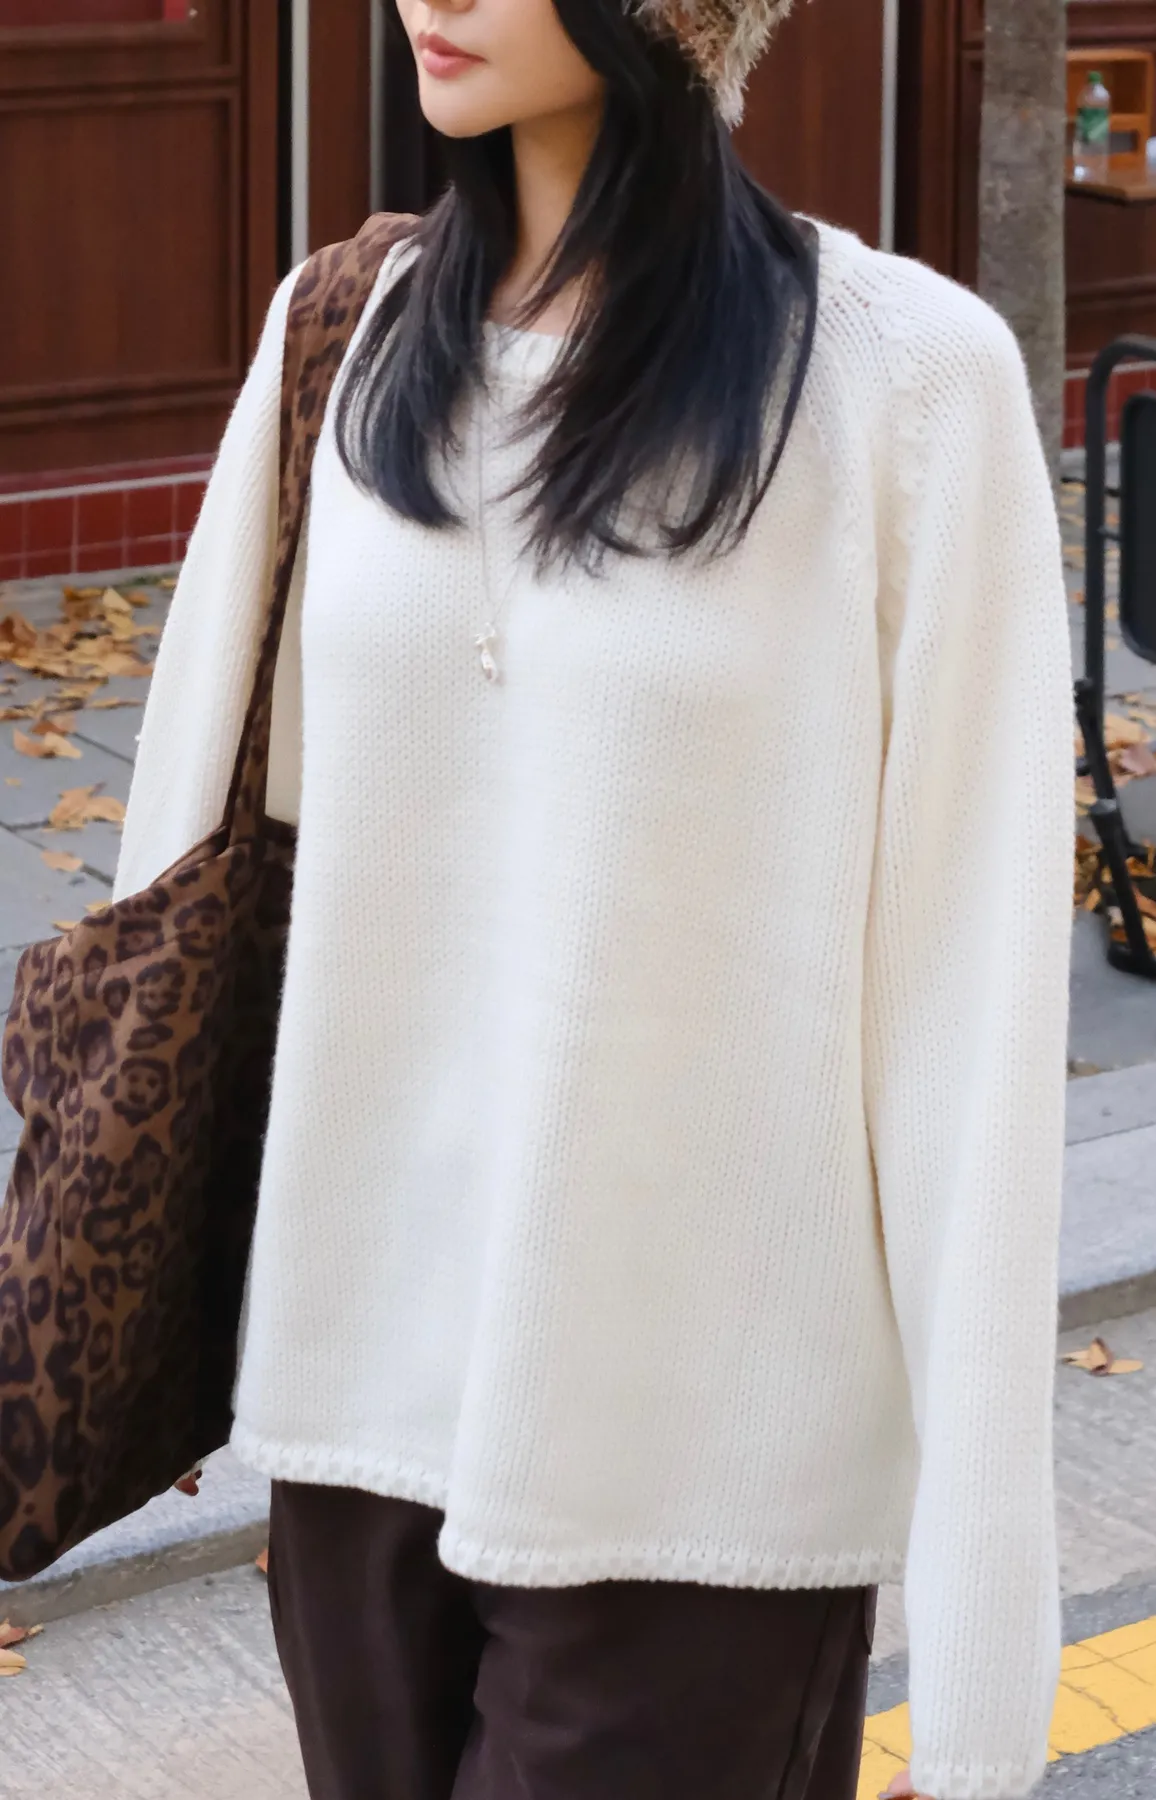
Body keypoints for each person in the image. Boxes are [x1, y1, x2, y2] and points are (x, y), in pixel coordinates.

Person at [113, 0, 1076, 1791]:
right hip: (358, 1409)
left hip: (702, 1460)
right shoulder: (343, 330)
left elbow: (971, 996)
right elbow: (187, 850)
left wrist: (986, 1634)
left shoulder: (902, 381)